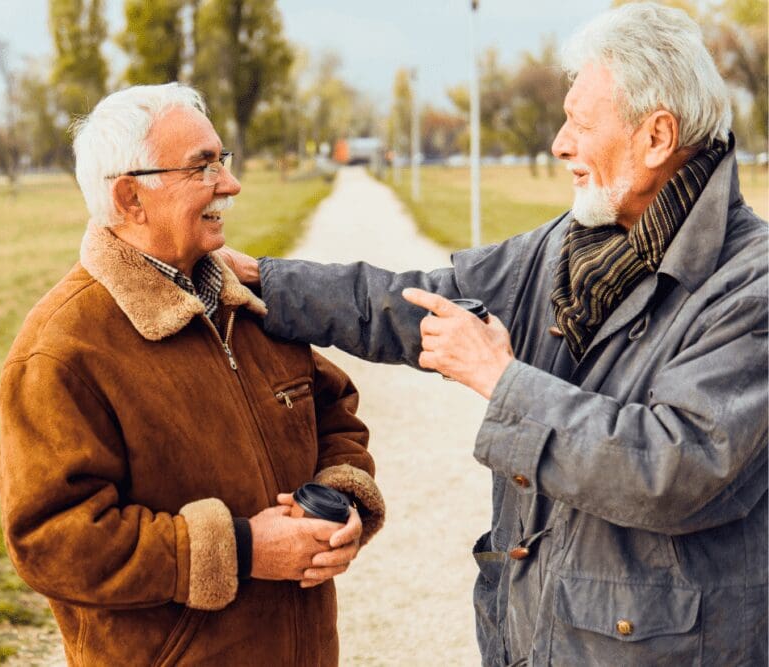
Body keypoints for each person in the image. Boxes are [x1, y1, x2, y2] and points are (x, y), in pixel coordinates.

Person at [221, 4, 767, 665]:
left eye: (580, 123)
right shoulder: (567, 245)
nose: (559, 143)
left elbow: (673, 467)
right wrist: (270, 284)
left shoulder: (750, 287)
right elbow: (407, 301)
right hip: (534, 629)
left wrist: (503, 381)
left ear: (657, 137)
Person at [0, 83, 385, 666]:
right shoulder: (62, 350)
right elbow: (53, 541)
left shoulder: (248, 304)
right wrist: (244, 549)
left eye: (221, 161)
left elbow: (336, 417)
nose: (229, 184)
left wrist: (339, 502)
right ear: (130, 197)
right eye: (203, 167)